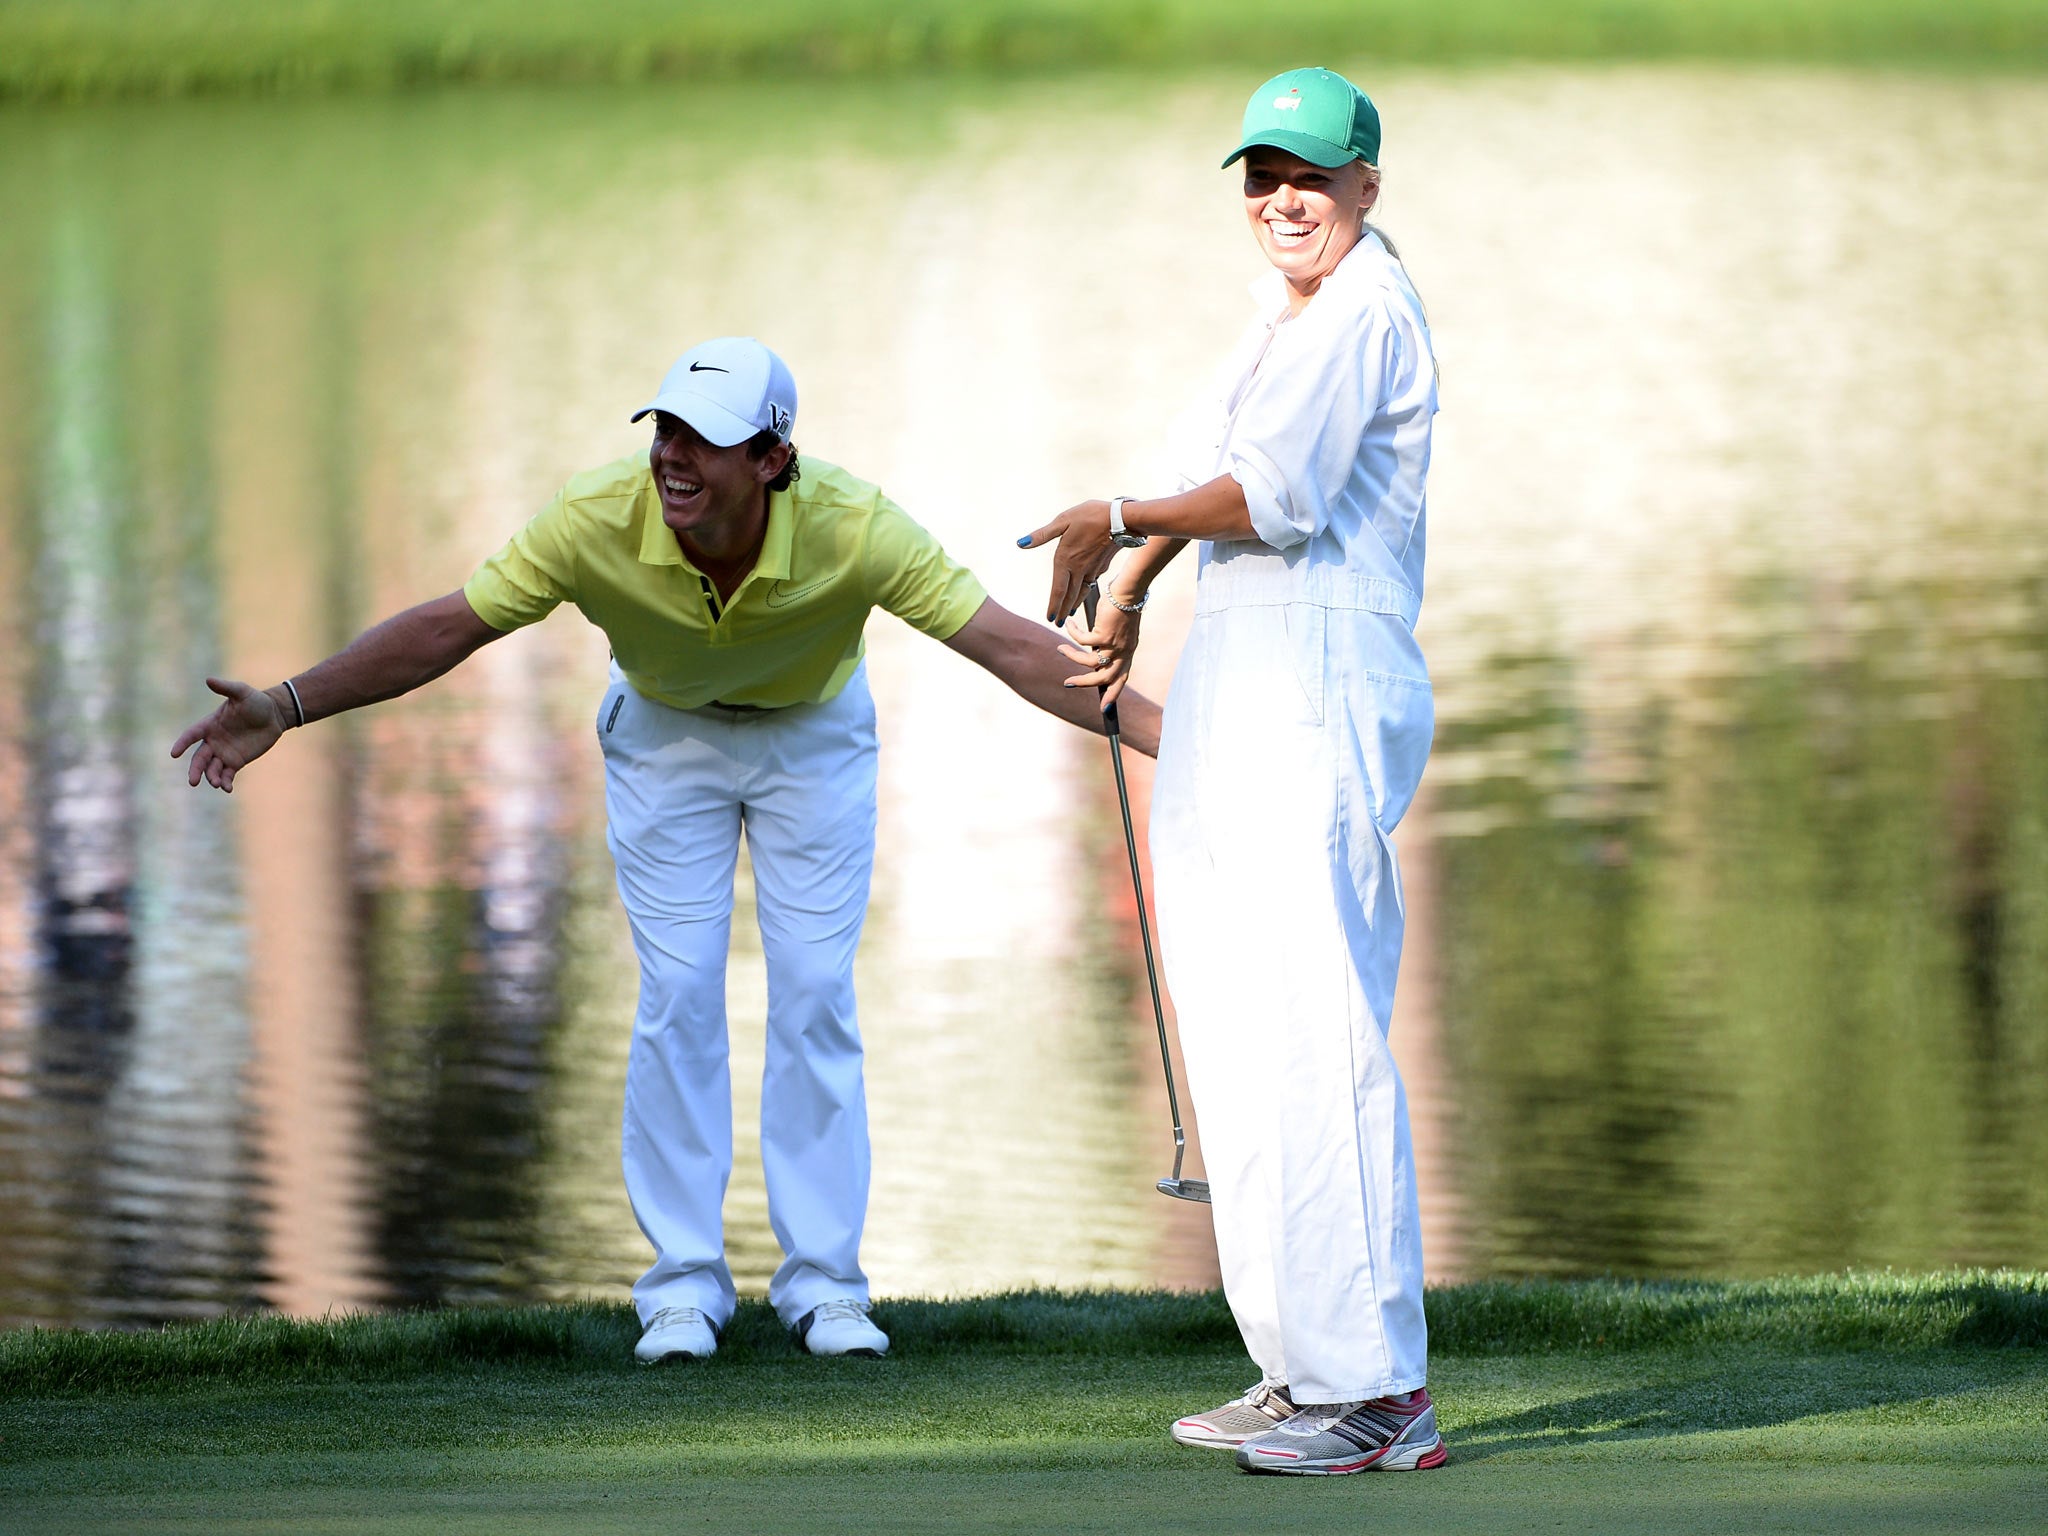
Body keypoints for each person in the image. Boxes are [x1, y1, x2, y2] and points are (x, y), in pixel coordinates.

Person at [173, 336, 1161, 1364]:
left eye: (706, 439)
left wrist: (1165, 739)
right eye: (667, 431)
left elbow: (1004, 646)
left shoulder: (854, 525)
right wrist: (286, 706)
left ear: (773, 458)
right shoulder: (596, 516)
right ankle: (683, 1289)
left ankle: (824, 1288)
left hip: (811, 738)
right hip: (664, 737)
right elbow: (445, 630)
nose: (674, 457)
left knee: (816, 992)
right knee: (679, 992)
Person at [1022, 68, 1445, 1472]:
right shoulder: (1281, 328)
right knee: (1245, 1029)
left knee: (1315, 1025)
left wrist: (1122, 517)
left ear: (1367, 188)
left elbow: (1272, 497)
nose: (1284, 199)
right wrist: (1139, 581)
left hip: (1318, 666)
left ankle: (1378, 1388)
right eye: (1264, 174)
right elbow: (1219, 472)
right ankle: (1298, 1365)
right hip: (1247, 662)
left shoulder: (1364, 313)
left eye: (1312, 176)